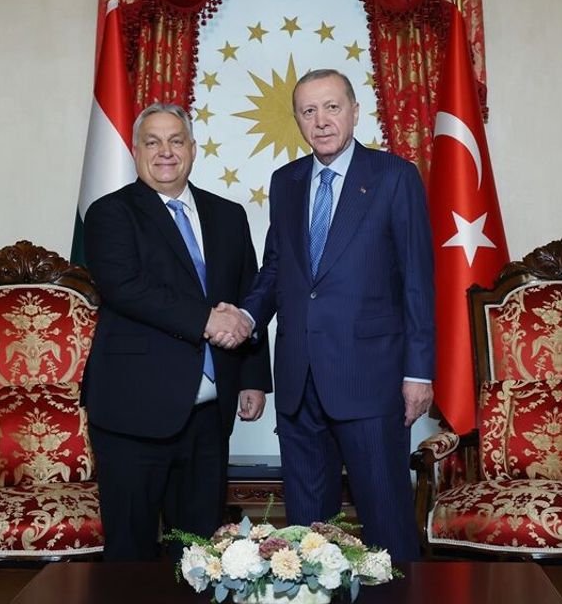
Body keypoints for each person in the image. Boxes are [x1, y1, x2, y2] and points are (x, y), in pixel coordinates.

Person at [237, 69, 434, 562]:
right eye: (309, 111)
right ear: (298, 120)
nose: (321, 120)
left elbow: (417, 280)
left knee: (386, 526)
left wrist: (419, 372)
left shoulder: (394, 177)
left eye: (331, 107)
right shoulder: (285, 182)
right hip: (299, 379)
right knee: (306, 537)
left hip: (370, 379)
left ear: (354, 111)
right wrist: (245, 317)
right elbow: (277, 268)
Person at [81, 102, 269, 561]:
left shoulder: (228, 215)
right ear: (135, 151)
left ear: (193, 149)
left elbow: (248, 295)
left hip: (209, 414)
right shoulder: (110, 213)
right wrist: (207, 320)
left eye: (175, 140)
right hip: (133, 412)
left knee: (201, 552)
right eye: (152, 142)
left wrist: (252, 378)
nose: (165, 152)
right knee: (131, 552)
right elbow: (126, 287)